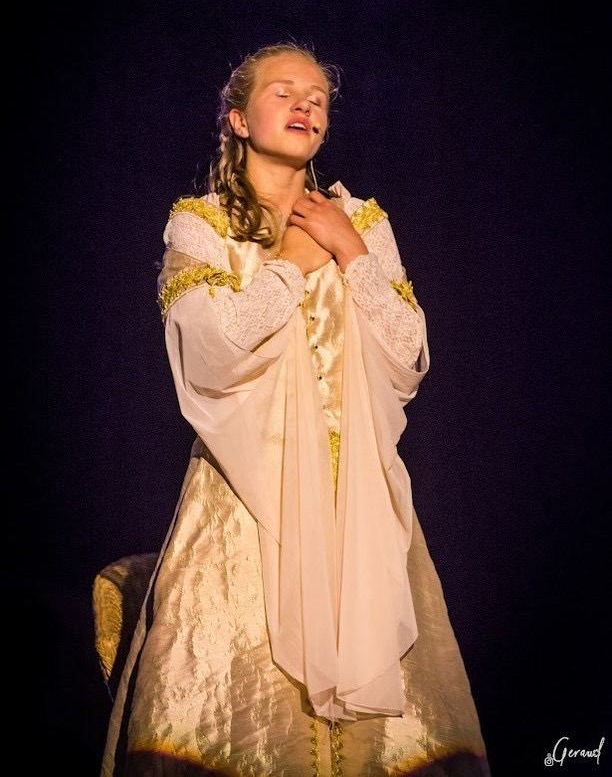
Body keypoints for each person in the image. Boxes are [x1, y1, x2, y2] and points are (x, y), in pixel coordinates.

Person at [100, 41, 491, 776]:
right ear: (238, 118)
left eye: (318, 97)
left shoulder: (361, 220)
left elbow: (408, 352)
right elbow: (210, 351)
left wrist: (350, 251)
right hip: (248, 507)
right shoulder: (201, 224)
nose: (305, 104)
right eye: (283, 92)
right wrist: (291, 263)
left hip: (355, 505)